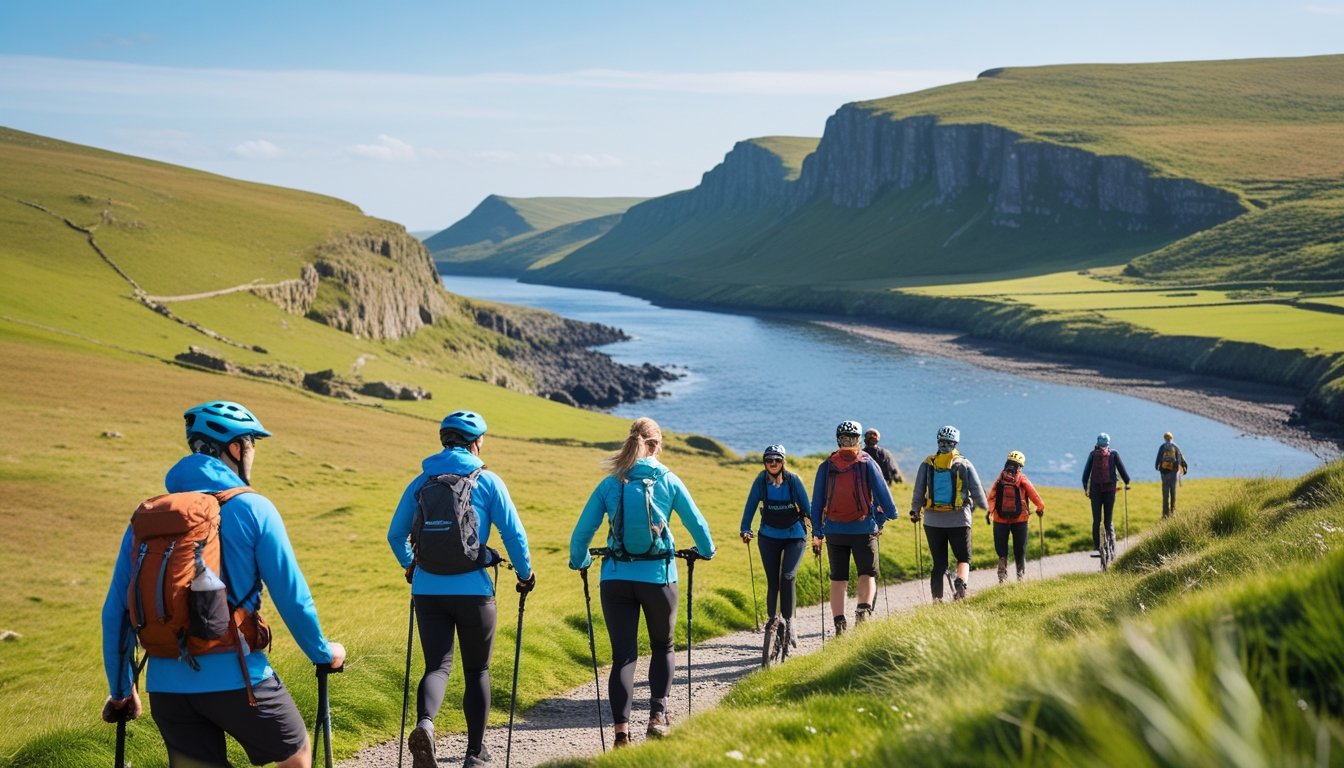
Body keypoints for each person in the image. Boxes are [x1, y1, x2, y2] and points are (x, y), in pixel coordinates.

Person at [100, 401, 346, 768]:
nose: (253, 453)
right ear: (235, 448)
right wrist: (323, 653)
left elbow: (114, 613)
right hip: (240, 679)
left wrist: (122, 690)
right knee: (295, 755)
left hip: (166, 688)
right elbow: (293, 597)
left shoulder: (148, 518)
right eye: (251, 444)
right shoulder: (255, 508)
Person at [388, 409, 534, 768]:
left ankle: (425, 724)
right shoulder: (488, 480)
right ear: (476, 443)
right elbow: (513, 534)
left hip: (427, 589)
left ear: (444, 440)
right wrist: (525, 574)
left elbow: (395, 534)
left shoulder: (422, 480)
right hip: (474, 590)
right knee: (476, 671)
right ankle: (475, 753)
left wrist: (411, 563)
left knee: (437, 666)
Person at [568, 417, 715, 747]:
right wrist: (707, 551)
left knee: (623, 656)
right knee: (663, 646)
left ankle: (621, 732)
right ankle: (658, 716)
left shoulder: (611, 483)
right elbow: (698, 525)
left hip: (615, 579)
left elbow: (581, 535)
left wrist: (581, 561)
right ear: (657, 444)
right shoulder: (667, 479)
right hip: (659, 578)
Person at [809, 420, 899, 634]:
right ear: (858, 440)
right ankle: (862, 611)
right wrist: (880, 521)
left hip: (834, 531)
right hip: (863, 529)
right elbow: (887, 502)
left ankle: (839, 623)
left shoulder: (827, 465)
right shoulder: (867, 462)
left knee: (838, 579)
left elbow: (817, 503)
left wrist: (817, 532)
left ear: (838, 440)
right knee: (866, 574)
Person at [739, 444, 810, 653]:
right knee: (773, 581)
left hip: (794, 536)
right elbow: (750, 506)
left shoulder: (793, 480)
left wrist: (820, 534)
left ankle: (790, 620)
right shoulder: (760, 481)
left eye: (777, 460)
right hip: (768, 536)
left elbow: (806, 507)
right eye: (769, 460)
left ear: (783, 462)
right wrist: (745, 529)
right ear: (764, 462)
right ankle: (772, 620)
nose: (773, 463)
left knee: (787, 577)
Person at [909, 425, 987, 601]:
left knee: (939, 564)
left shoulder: (927, 463)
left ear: (938, 441)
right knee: (963, 558)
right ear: (955, 443)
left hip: (932, 521)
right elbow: (977, 491)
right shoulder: (964, 463)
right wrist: (986, 509)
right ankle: (960, 584)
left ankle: (937, 600)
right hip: (959, 519)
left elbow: (918, 491)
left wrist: (915, 511)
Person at [985, 450, 1045, 583]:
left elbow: (991, 497)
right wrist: (1040, 507)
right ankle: (1020, 576)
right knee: (1020, 549)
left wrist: (990, 512)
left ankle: (1002, 576)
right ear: (1021, 465)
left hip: (1000, 520)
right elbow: (1033, 494)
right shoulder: (1021, 478)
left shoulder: (1000, 478)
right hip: (1020, 520)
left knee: (1002, 550)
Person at [1081, 432, 1131, 559]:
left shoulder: (1092, 455)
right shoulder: (1114, 454)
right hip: (1109, 491)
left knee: (1096, 521)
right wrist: (1127, 482)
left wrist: (1086, 489)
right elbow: (1122, 471)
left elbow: (1085, 475)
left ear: (1097, 444)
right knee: (1108, 521)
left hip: (1095, 492)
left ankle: (1098, 547)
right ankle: (1112, 548)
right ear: (1108, 444)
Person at [1155, 431, 1189, 518]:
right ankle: (1172, 512)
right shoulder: (1175, 446)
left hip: (1164, 472)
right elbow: (1181, 457)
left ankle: (1165, 514)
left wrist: (1157, 466)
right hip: (1173, 472)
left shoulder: (1162, 447)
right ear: (1171, 438)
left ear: (1164, 438)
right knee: (1173, 491)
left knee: (1165, 493)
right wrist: (1184, 467)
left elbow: (1158, 459)